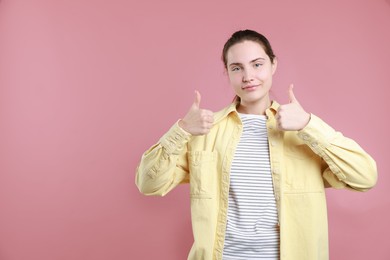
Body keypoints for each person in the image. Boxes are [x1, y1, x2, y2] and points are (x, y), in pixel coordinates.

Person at [135, 29, 377, 260]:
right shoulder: (205, 131)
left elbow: (365, 177)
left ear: (273, 65)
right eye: (237, 67)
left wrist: (308, 125)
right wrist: (182, 130)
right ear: (227, 73)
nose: (248, 76)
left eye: (257, 64)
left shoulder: (303, 130)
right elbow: (148, 184)